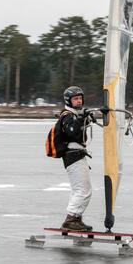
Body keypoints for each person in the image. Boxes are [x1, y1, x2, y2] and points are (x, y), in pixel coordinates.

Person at [56, 85, 96, 232]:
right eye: (75, 99)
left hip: (77, 155)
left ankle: (76, 220)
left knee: (78, 189)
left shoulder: (76, 114)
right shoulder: (67, 115)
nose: (79, 101)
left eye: (80, 98)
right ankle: (71, 219)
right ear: (69, 100)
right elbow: (72, 132)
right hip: (73, 155)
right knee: (84, 190)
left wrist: (87, 116)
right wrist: (81, 117)